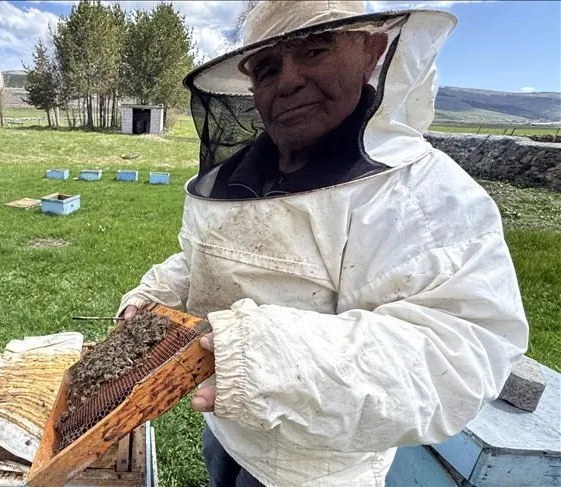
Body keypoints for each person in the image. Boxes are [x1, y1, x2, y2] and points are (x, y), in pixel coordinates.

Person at [118, 1, 528, 486]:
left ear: (372, 51)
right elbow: (209, 257)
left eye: (314, 50)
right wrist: (158, 293)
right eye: (268, 68)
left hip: (316, 468)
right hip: (227, 425)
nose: (288, 81)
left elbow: (456, 357)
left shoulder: (425, 197)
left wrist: (265, 357)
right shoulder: (247, 174)